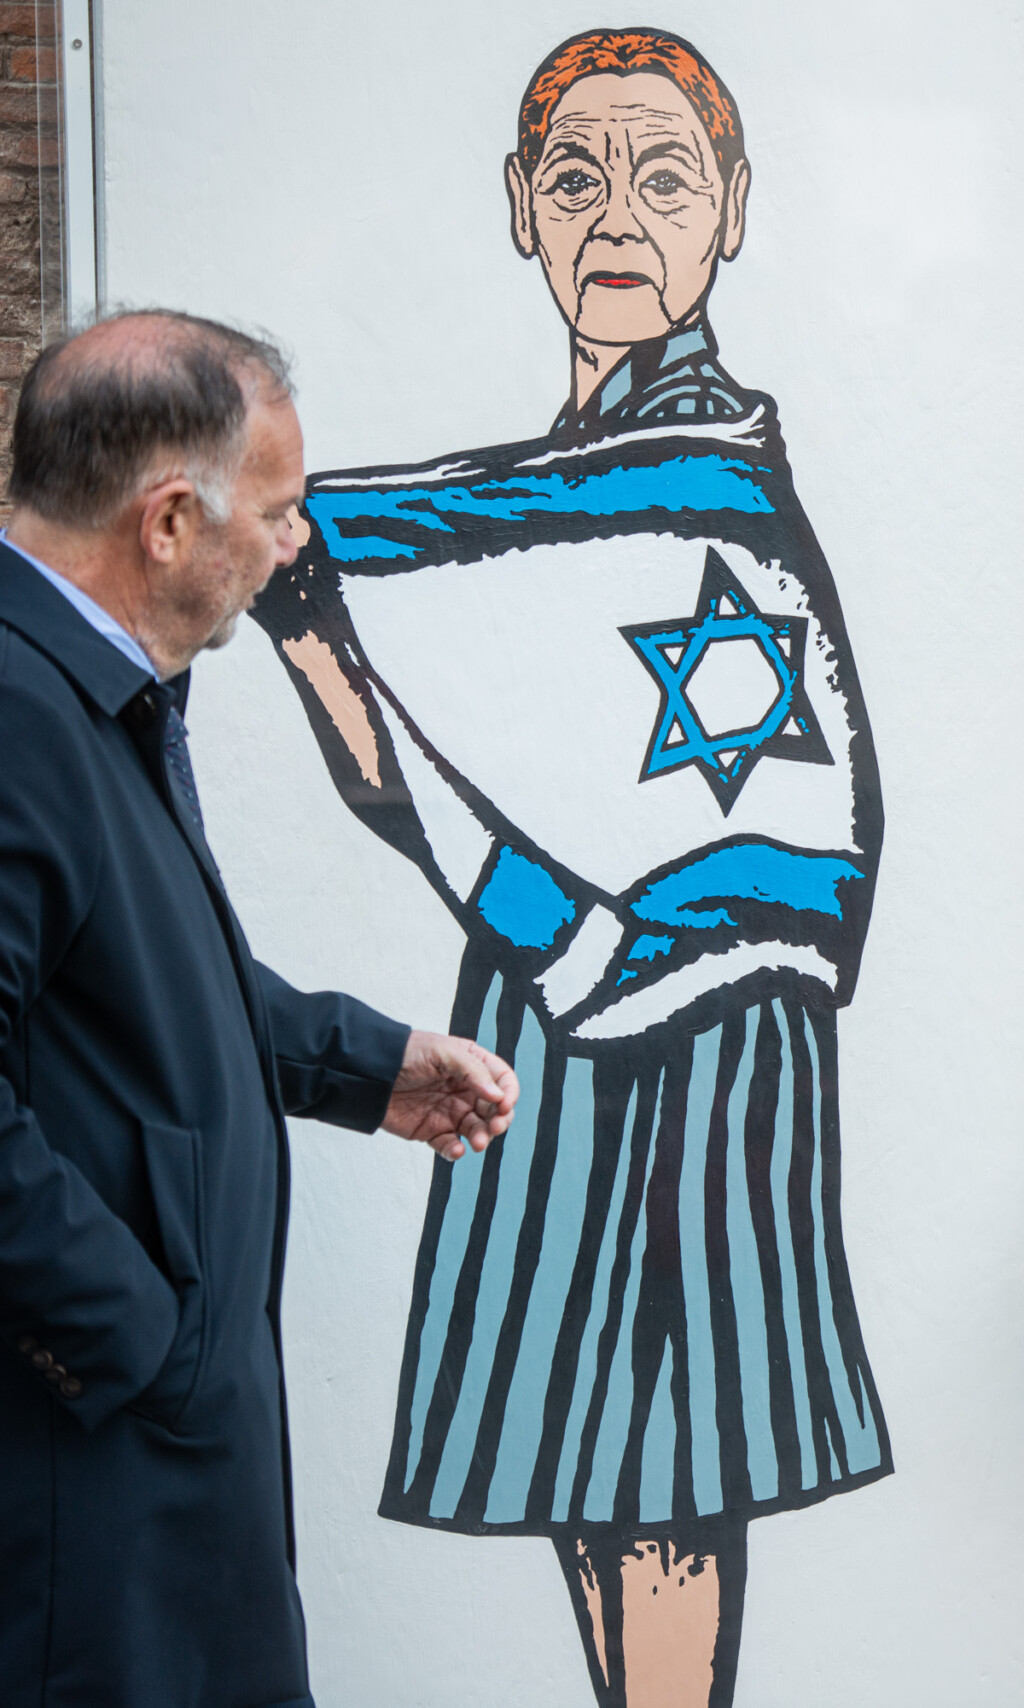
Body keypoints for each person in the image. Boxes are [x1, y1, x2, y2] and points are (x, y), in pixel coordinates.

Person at [252, 29, 887, 1708]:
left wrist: (321, 571)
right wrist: (305, 626)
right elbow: (414, 786)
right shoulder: (534, 496)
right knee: (585, 1466)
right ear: (522, 206)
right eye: (578, 178)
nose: (619, 216)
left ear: (729, 209)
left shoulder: (696, 470)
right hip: (542, 990)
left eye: (665, 178)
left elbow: (789, 799)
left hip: (701, 1006)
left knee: (664, 1464)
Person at [0, 311, 520, 1705]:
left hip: (150, 1474)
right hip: (85, 1500)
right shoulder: (18, 711)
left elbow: (135, 987)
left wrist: (365, 1064)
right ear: (170, 522)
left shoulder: (77, 690)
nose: (296, 545)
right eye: (281, 510)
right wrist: (137, 1340)